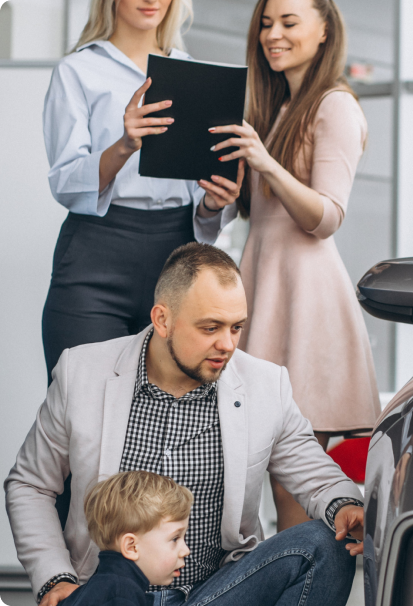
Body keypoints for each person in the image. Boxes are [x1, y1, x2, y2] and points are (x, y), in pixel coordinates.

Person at [5, 243, 365, 606]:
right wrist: (55, 579)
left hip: (215, 594)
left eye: (236, 327)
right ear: (163, 320)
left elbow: (319, 477)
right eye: (210, 327)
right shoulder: (81, 372)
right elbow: (30, 484)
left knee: (328, 544)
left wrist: (346, 506)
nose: (227, 344)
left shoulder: (266, 385)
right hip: (109, 595)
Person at [209, 0, 381, 531]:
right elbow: (259, 213)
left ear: (325, 29)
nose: (272, 35)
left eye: (288, 22)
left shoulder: (335, 106)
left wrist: (266, 163)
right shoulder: (278, 107)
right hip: (262, 285)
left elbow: (326, 216)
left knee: (294, 481)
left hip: (306, 298)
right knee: (250, 470)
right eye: (265, 24)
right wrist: (222, 197)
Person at [41, 0, 243, 385]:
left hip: (177, 252)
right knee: (83, 402)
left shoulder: (195, 72)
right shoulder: (78, 71)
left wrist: (214, 204)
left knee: (170, 406)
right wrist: (124, 145)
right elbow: (66, 183)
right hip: (96, 251)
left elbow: (201, 198)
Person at [59, 471, 192, 606]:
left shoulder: (96, 589)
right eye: (175, 539)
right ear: (131, 546)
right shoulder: (122, 596)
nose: (186, 551)